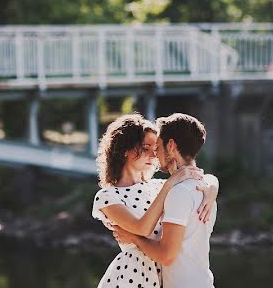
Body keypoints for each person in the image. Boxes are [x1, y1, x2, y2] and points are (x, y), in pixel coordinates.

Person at [92, 114, 218, 288]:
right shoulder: (108, 196)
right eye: (145, 148)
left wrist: (212, 188)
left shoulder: (159, 186)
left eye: (155, 147)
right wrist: (169, 185)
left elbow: (203, 178)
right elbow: (142, 228)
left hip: (164, 277)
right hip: (132, 277)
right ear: (124, 150)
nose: (154, 154)